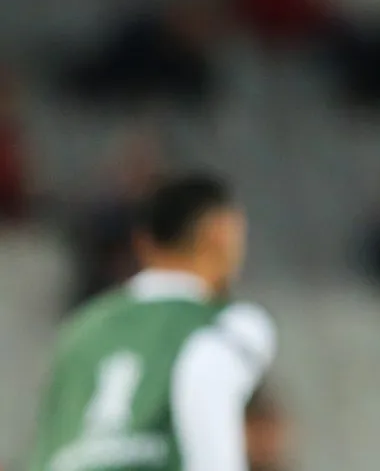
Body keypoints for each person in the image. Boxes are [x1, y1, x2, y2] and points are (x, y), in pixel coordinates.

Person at [28, 173, 277, 471]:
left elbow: (49, 442)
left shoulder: (79, 331)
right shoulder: (228, 323)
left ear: (143, 243)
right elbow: (206, 401)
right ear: (222, 234)